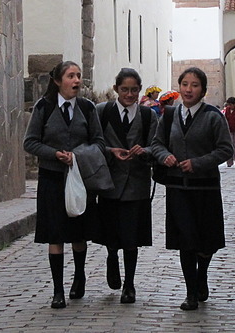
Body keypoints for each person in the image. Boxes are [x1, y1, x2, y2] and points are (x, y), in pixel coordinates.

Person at [22, 61, 106, 309]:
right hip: (52, 179)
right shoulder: (44, 107)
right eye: (71, 76)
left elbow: (99, 142)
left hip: (79, 179)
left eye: (79, 76)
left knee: (78, 233)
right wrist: (54, 153)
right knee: (55, 234)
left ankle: (79, 277)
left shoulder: (88, 109)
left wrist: (78, 156)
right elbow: (30, 142)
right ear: (58, 81)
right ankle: (57, 290)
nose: (77, 80)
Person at [151, 67, 232, 311]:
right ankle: (190, 293)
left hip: (205, 188)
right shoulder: (170, 116)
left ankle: (202, 275)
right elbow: (156, 144)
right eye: (185, 84)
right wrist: (164, 156)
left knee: (206, 242)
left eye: (194, 85)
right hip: (178, 189)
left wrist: (197, 163)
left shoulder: (213, 117)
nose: (189, 89)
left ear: (203, 90)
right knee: (185, 241)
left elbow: (225, 150)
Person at [94, 68, 157, 304]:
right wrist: (111, 151)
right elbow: (94, 144)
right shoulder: (103, 112)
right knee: (111, 233)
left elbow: (156, 146)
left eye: (133, 90)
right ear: (115, 90)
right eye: (124, 90)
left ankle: (129, 284)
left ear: (140, 90)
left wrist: (145, 151)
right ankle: (111, 256)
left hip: (136, 184)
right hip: (109, 183)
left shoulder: (148, 116)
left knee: (132, 237)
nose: (129, 94)